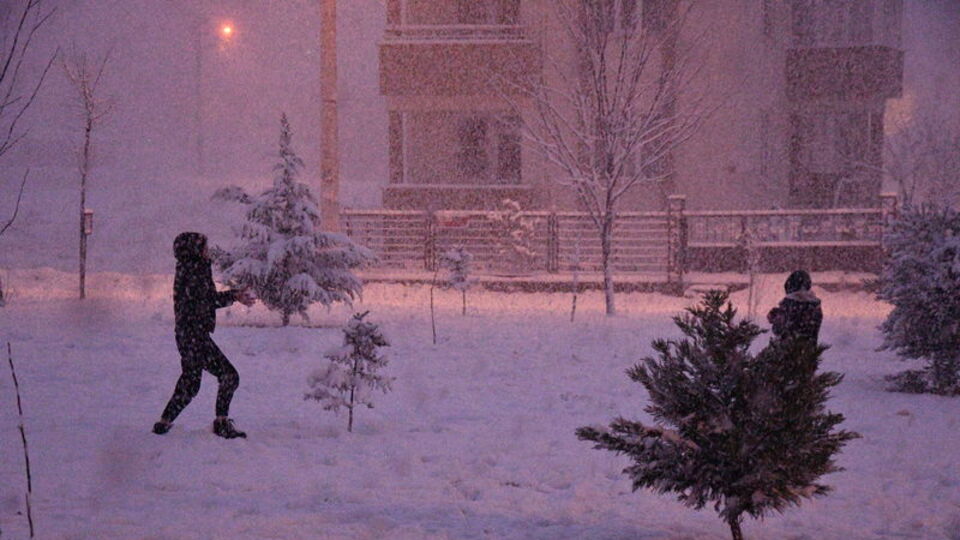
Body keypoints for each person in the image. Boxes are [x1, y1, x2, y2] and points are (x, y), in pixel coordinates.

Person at [153, 232, 255, 439]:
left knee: (190, 383)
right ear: (195, 251)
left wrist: (232, 295)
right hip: (195, 336)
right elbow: (206, 302)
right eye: (204, 248)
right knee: (229, 376)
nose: (208, 251)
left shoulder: (186, 269)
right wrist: (233, 296)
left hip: (186, 334)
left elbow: (201, 301)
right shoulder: (195, 270)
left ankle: (163, 424)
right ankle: (221, 423)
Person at [767, 269, 823, 343]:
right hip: (809, 351)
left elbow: (779, 330)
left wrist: (775, 318)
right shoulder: (815, 305)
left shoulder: (790, 303)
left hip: (788, 350)